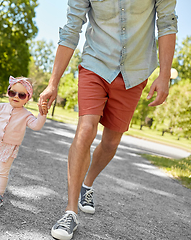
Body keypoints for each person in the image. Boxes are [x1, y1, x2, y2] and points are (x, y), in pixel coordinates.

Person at [38, 1, 177, 239]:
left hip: (134, 71)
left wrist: (165, 75)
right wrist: (53, 82)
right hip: (95, 63)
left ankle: (87, 183)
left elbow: (166, 23)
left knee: (111, 142)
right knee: (85, 130)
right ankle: (70, 212)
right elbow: (72, 27)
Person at [0, 76, 48, 208]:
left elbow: (36, 126)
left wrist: (42, 114)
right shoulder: (1, 107)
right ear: (8, 92)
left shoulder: (26, 114)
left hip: (9, 147)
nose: (16, 96)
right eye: (12, 93)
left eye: (21, 95)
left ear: (28, 98)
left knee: (2, 171)